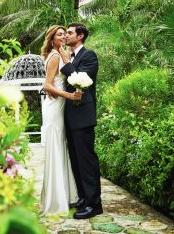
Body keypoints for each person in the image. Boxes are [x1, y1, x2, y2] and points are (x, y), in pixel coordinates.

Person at [59, 23, 103, 219]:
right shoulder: (71, 57)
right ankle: (84, 198)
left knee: (87, 162)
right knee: (76, 161)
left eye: (70, 33)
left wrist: (67, 62)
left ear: (81, 36)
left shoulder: (89, 56)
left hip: (83, 117)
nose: (66, 36)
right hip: (69, 116)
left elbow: (79, 78)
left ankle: (95, 205)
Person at [40, 25, 82, 216]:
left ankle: (63, 195)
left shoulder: (57, 54)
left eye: (65, 34)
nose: (64, 36)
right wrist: (69, 95)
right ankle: (56, 199)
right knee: (56, 147)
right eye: (60, 34)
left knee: (59, 147)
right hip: (55, 107)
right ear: (52, 39)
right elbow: (47, 86)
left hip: (58, 105)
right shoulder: (55, 56)